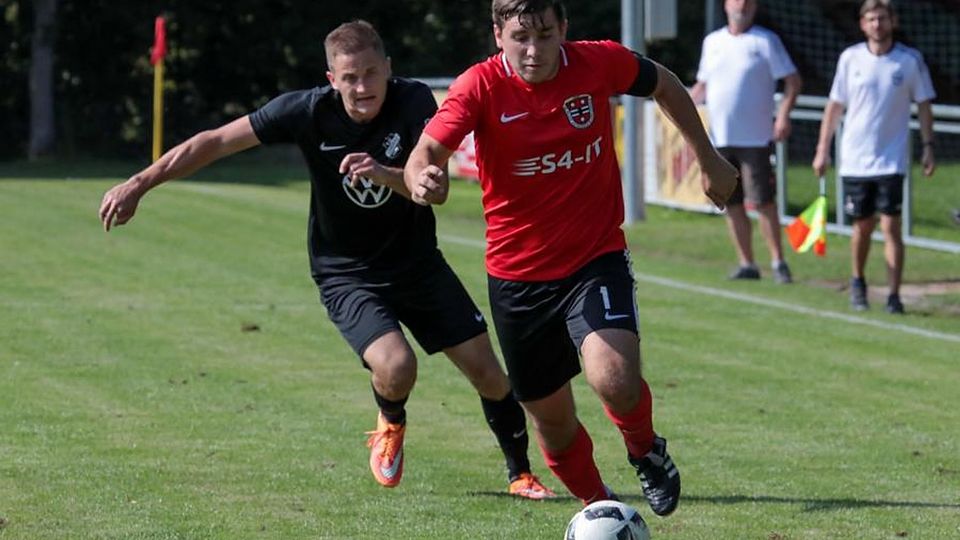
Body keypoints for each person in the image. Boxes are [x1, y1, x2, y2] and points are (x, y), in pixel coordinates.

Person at [98, 20, 554, 499]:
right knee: (397, 367)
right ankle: (391, 420)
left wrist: (383, 173)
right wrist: (139, 184)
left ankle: (520, 474)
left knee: (488, 373)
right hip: (347, 273)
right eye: (349, 77)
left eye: (371, 73)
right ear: (332, 79)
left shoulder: (415, 102)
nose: (362, 87)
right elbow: (214, 141)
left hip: (418, 264)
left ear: (388, 69)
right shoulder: (306, 111)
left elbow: (431, 192)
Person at [404, 0, 738, 515]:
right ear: (498, 35)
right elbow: (424, 153)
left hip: (594, 256)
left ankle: (645, 450)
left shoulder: (598, 62)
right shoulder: (479, 86)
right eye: (520, 38)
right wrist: (422, 177)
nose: (533, 50)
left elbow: (665, 84)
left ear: (564, 28)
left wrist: (708, 157)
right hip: (517, 278)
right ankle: (599, 507)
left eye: (544, 35)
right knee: (552, 423)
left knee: (615, 377)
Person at [813, 0, 936, 314]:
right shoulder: (850, 58)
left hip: (891, 159)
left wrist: (928, 145)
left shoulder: (908, 61)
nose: (877, 24)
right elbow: (834, 106)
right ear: (862, 24)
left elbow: (924, 104)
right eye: (871, 19)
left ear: (893, 21)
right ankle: (858, 281)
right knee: (863, 226)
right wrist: (822, 149)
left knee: (891, 226)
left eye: (882, 18)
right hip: (855, 158)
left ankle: (894, 295)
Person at [690, 0, 802, 283]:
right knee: (732, 203)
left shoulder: (765, 41)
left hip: (755, 138)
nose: (742, 5)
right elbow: (702, 85)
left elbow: (792, 81)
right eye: (737, 0)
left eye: (748, 1)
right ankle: (747, 263)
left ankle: (778, 262)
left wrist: (783, 116)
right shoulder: (712, 42)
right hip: (720, 138)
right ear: (726, 5)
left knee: (763, 201)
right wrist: (681, 110)